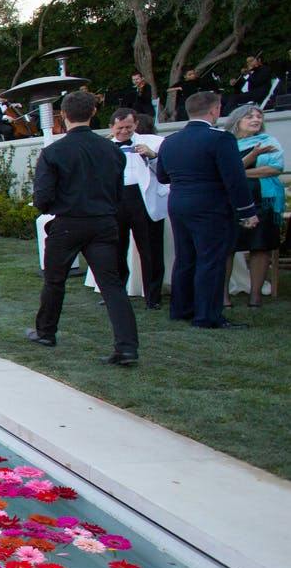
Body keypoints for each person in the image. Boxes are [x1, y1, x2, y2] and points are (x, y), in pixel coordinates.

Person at [26, 91, 139, 364]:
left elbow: (42, 197)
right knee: (112, 285)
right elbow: (117, 190)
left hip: (68, 223)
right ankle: (126, 348)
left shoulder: (53, 152)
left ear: (63, 116)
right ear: (93, 114)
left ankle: (46, 332)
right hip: (103, 222)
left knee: (55, 280)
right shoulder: (112, 150)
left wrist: (54, 207)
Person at [157, 91, 260, 328]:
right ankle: (207, 316)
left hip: (179, 202)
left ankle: (181, 309)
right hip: (210, 205)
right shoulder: (220, 139)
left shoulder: (171, 140)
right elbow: (234, 179)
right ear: (215, 110)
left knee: (185, 257)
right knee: (210, 259)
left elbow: (163, 176)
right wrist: (247, 211)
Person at [107, 109, 165, 309]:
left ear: (136, 125)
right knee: (115, 250)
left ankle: (153, 296)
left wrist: (152, 156)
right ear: (111, 128)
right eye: (119, 128)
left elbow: (166, 174)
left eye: (128, 128)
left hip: (143, 200)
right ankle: (116, 293)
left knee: (150, 250)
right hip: (116, 201)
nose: (124, 132)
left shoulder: (155, 142)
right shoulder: (105, 147)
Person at [227, 104, 284, 308]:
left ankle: (256, 295)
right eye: (249, 116)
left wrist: (238, 174)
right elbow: (222, 170)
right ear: (237, 121)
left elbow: (274, 169)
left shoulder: (269, 141)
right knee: (228, 246)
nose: (256, 119)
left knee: (260, 245)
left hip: (264, 199)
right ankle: (224, 297)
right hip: (231, 200)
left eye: (259, 117)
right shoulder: (227, 143)